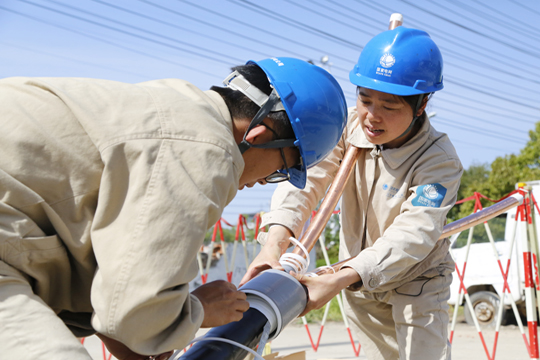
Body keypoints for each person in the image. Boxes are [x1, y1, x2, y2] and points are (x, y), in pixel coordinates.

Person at [0, 57, 347, 360]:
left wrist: (130, 328)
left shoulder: (177, 108)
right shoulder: (203, 150)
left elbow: (101, 267)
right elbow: (136, 313)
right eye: (281, 169)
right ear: (259, 135)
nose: (264, 180)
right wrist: (198, 311)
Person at [241, 27, 463, 359]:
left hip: (418, 282)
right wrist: (274, 244)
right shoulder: (348, 130)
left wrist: (343, 277)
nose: (372, 116)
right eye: (365, 99)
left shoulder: (439, 162)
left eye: (389, 106)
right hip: (358, 282)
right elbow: (306, 182)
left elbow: (413, 233)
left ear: (422, 105)